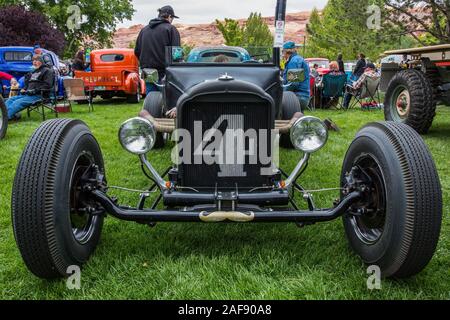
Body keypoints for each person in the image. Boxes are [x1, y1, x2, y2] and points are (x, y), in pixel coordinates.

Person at [135, 5, 181, 94]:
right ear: (169, 16)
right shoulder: (171, 29)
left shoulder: (144, 30)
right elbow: (176, 54)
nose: (172, 21)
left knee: (151, 102)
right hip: (165, 73)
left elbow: (137, 51)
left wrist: (145, 64)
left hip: (148, 72)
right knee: (167, 102)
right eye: (172, 18)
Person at [5, 55, 53, 120]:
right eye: (33, 60)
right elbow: (27, 84)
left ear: (41, 61)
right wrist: (24, 89)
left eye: (36, 60)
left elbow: (48, 85)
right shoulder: (32, 72)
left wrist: (34, 90)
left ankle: (5, 119)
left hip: (39, 95)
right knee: (10, 100)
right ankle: (10, 116)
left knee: (17, 103)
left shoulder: (47, 71)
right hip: (27, 94)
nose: (34, 62)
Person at [282, 41, 310, 111]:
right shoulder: (298, 59)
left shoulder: (293, 61)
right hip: (302, 96)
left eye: (283, 52)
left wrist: (282, 93)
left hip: (298, 97)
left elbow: (294, 83)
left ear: (285, 52)